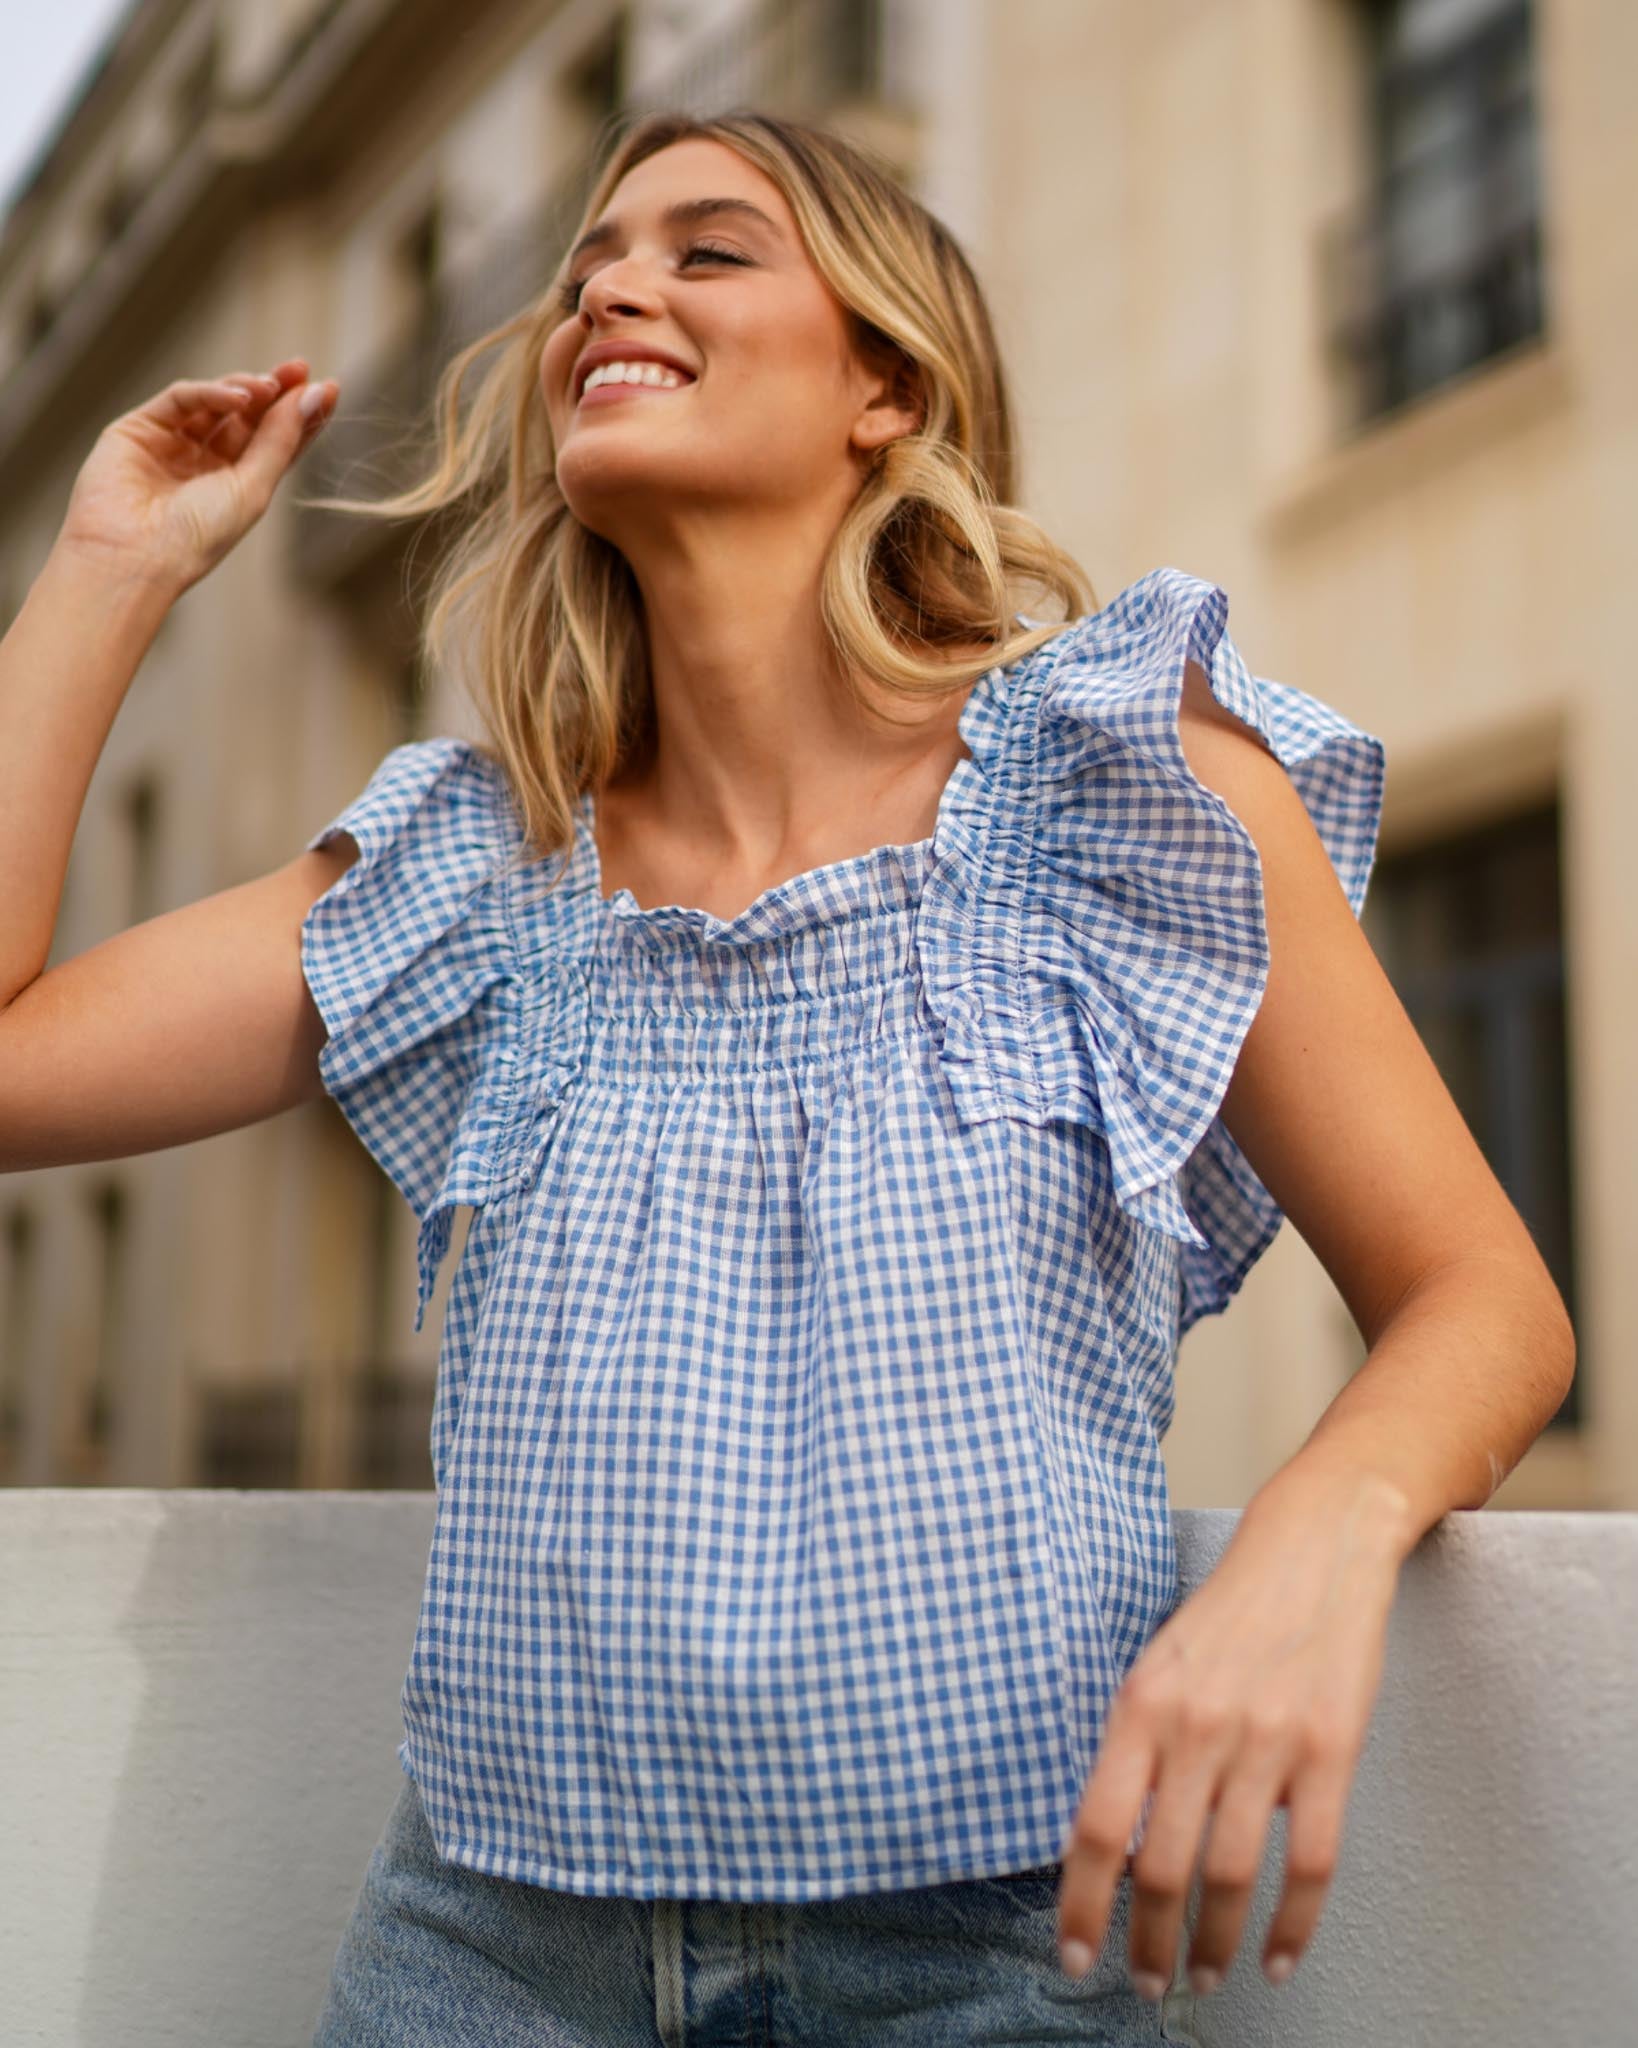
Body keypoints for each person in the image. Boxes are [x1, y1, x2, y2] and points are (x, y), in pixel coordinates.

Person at [0, 107, 1574, 2048]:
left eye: (707, 249)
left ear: (883, 386)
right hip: (488, 1962)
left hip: (991, 1961)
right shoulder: (479, 871)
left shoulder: (1116, 790)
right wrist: (110, 567)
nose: (608, 291)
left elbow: (1483, 1301)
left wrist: (1306, 1554)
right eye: (588, 268)